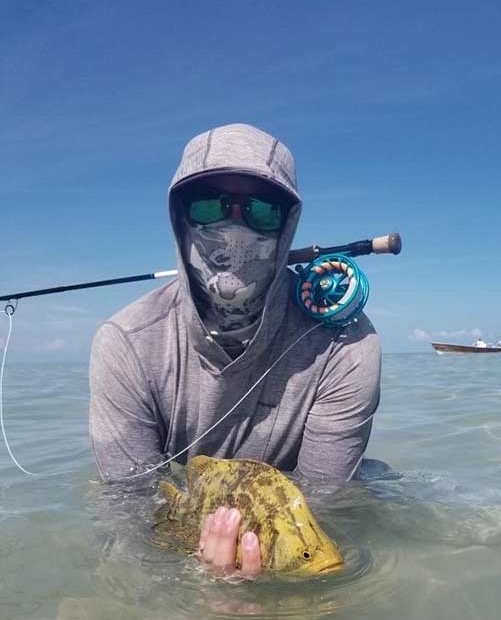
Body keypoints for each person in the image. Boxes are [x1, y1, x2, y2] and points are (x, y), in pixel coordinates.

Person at [89, 123, 381, 576]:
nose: (234, 228)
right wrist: (198, 588)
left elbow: (327, 507)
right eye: (210, 207)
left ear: (287, 226)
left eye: (262, 212)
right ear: (181, 219)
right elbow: (129, 509)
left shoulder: (347, 343)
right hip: (197, 516)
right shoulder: (124, 342)